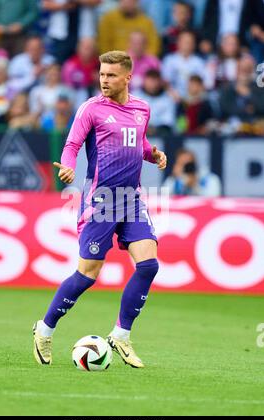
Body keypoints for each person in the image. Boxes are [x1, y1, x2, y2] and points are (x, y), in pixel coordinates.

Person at [33, 50, 167, 368]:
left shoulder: (141, 108)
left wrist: (154, 154)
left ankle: (120, 335)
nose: (104, 80)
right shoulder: (91, 109)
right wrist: (67, 168)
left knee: (149, 265)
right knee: (88, 274)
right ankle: (45, 328)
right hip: (101, 201)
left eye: (110, 75)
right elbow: (72, 146)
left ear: (127, 77)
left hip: (131, 198)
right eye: (101, 74)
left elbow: (139, 143)